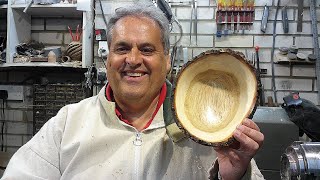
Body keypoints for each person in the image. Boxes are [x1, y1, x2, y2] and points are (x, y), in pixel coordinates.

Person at [2, 3, 264, 180]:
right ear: (107, 60)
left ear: (168, 60)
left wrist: (234, 177)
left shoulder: (209, 132)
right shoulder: (68, 123)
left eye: (147, 50)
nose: (133, 60)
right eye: (122, 48)